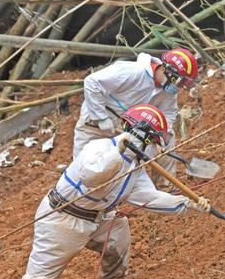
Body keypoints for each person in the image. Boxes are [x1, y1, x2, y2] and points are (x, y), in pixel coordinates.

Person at [4, 104, 210, 279]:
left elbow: (150, 198)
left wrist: (188, 203)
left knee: (118, 230)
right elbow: (92, 175)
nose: (155, 149)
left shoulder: (134, 169)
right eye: (153, 143)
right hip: (62, 221)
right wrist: (118, 152)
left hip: (96, 219)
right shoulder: (99, 149)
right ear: (141, 138)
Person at [73, 48, 199, 181]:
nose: (180, 86)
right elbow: (92, 82)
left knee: (168, 138)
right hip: (94, 125)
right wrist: (101, 117)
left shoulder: (167, 92)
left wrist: (160, 136)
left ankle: (165, 187)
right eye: (180, 81)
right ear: (167, 70)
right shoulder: (131, 72)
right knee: (82, 171)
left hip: (127, 129)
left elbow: (168, 113)